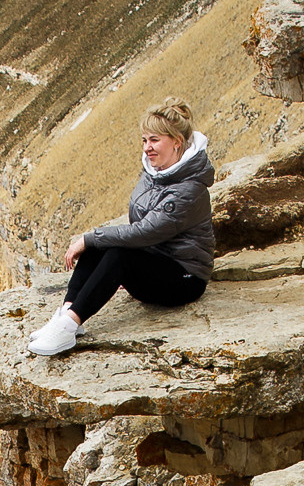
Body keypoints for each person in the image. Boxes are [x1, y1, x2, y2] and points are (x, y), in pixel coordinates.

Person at [27, 106, 214, 359]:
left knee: (117, 253)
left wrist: (89, 238)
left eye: (155, 140)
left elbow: (146, 232)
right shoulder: (156, 172)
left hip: (184, 279)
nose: (147, 148)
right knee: (101, 245)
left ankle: (69, 324)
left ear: (177, 142)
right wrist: (93, 241)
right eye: (144, 140)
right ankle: (66, 315)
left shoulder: (188, 189)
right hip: (154, 263)